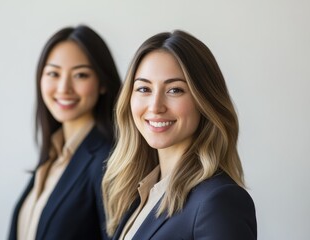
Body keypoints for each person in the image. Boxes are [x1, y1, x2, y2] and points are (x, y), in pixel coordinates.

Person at [102, 30, 257, 240]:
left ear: (204, 102)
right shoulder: (139, 192)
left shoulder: (219, 201)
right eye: (144, 89)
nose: (155, 106)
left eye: (174, 90)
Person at [8, 25, 121, 240]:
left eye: (80, 75)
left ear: (102, 83)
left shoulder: (108, 160)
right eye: (53, 73)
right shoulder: (53, 155)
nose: (63, 88)